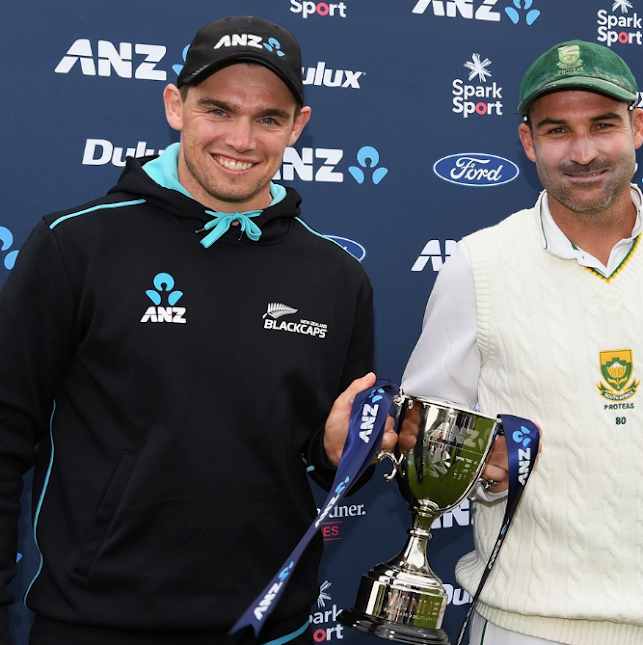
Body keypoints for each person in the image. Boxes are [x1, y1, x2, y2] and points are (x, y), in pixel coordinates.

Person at [0, 16, 398, 645]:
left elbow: (331, 465)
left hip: (271, 626)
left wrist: (338, 452)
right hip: (95, 625)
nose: (241, 138)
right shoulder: (76, 244)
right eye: (217, 109)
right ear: (175, 106)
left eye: (268, 118)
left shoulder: (337, 278)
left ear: (297, 126)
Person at [401, 40, 643, 645]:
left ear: (637, 128)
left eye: (603, 125)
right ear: (529, 141)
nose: (583, 152)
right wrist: (478, 471)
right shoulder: (478, 265)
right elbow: (421, 438)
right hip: (520, 625)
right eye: (558, 130)